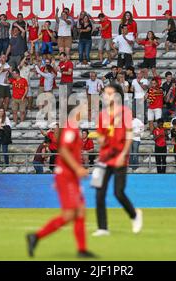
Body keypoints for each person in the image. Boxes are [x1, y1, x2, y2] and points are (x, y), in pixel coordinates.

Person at [27, 103, 96, 259]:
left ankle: (82, 249)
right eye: (83, 109)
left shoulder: (74, 130)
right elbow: (63, 151)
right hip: (67, 177)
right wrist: (76, 170)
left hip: (70, 177)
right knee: (70, 214)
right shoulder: (70, 130)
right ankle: (36, 236)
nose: (86, 111)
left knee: (80, 212)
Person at [93, 83, 142, 237]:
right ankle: (102, 228)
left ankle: (135, 215)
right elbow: (100, 137)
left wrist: (123, 155)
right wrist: (101, 139)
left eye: (110, 93)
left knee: (118, 193)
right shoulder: (102, 115)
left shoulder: (125, 113)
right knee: (99, 193)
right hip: (104, 158)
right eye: (105, 93)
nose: (106, 96)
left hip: (119, 157)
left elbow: (129, 136)